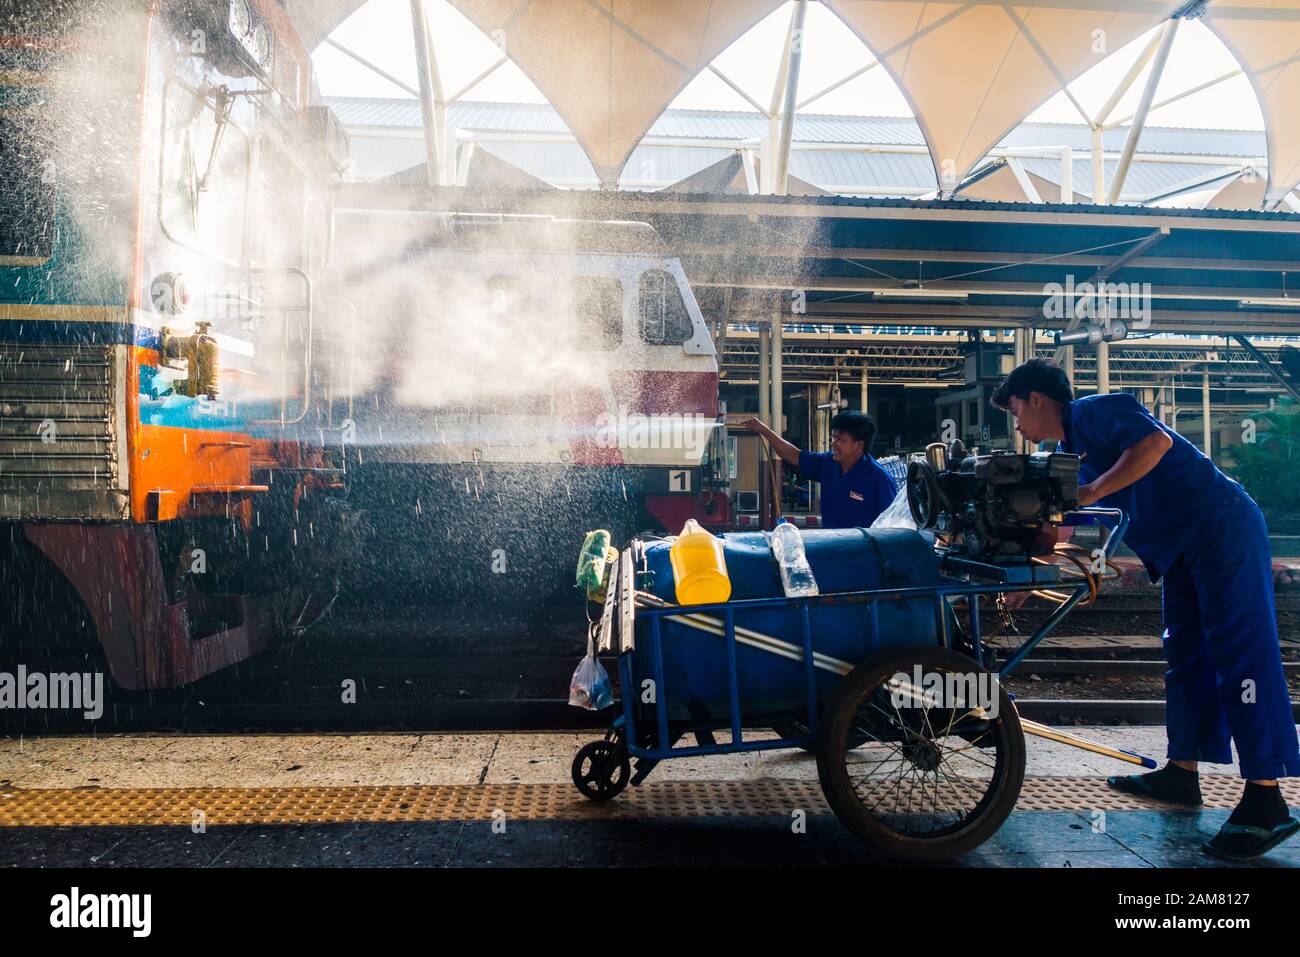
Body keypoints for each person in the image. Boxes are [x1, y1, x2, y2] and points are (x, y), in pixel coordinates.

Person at [992, 357, 1300, 859]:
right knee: (1185, 656)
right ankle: (1183, 773)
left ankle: (1266, 798)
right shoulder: (1069, 450)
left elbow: (1156, 444)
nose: (1019, 426)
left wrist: (1090, 491)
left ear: (1036, 399)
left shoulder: (1095, 411)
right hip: (1179, 548)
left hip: (1221, 529)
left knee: (1241, 656)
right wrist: (1029, 574)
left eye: (1016, 412)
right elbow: (1063, 524)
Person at [741, 410, 896, 529]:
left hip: (864, 555)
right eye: (833, 438)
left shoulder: (879, 479)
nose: (833, 443)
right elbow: (793, 454)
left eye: (840, 440)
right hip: (831, 547)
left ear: (859, 445)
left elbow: (892, 526)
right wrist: (764, 430)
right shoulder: (828, 463)